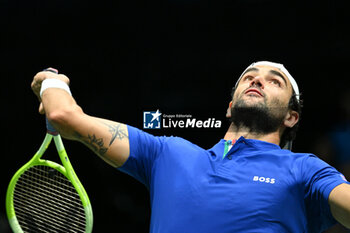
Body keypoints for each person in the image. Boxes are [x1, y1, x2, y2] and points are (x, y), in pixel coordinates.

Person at [31, 61, 350, 233]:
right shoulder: (166, 152)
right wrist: (52, 82)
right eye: (249, 77)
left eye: (274, 81)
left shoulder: (306, 170)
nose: (257, 81)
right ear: (229, 107)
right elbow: (65, 116)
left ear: (292, 117)